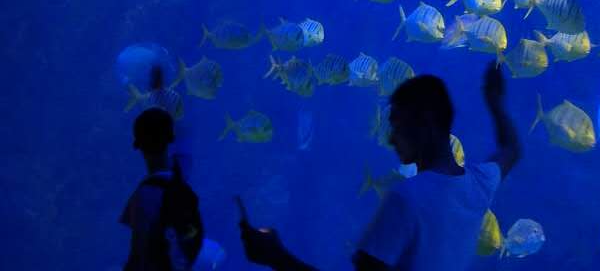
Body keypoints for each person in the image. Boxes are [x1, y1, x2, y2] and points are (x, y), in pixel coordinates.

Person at [241, 61, 520, 271]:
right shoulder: (479, 185)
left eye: (397, 125)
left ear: (425, 124)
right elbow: (511, 149)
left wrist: (276, 256)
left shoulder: (408, 197)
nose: (390, 138)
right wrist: (496, 102)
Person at [121, 106, 205, 270]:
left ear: (139, 145)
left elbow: (137, 255)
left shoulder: (145, 194)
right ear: (170, 139)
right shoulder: (182, 187)